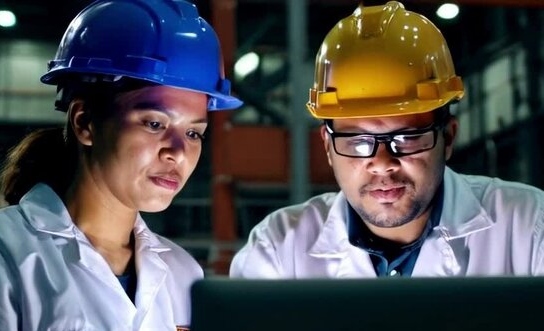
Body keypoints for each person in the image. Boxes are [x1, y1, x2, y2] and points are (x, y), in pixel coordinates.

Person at [0, 0, 241, 331]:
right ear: (84, 122)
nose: (177, 152)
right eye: (155, 123)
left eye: (194, 134)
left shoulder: (182, 273)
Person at [230, 1, 544, 279]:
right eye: (357, 142)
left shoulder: (529, 228)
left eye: (406, 138)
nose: (382, 164)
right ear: (328, 145)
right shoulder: (280, 252)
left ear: (448, 137)